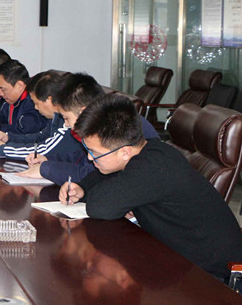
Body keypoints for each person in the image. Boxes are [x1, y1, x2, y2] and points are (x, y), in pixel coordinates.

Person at [60, 93, 242, 281]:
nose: (90, 158)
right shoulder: (149, 150)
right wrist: (82, 187)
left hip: (215, 277)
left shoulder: (153, 167)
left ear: (125, 152)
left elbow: (100, 206)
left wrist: (118, 199)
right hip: (180, 260)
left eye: (94, 153)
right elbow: (109, 174)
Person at [20, 73, 159, 184]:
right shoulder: (98, 122)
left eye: (66, 118)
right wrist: (48, 159)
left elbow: (92, 173)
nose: (66, 124)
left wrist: (46, 169)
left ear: (83, 112)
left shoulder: (114, 125)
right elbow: (79, 156)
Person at [0, 71, 67, 158]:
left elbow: (46, 150)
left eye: (36, 103)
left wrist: (3, 150)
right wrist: (8, 138)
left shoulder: (66, 123)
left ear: (49, 100)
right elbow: (41, 137)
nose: (36, 107)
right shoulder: (55, 118)